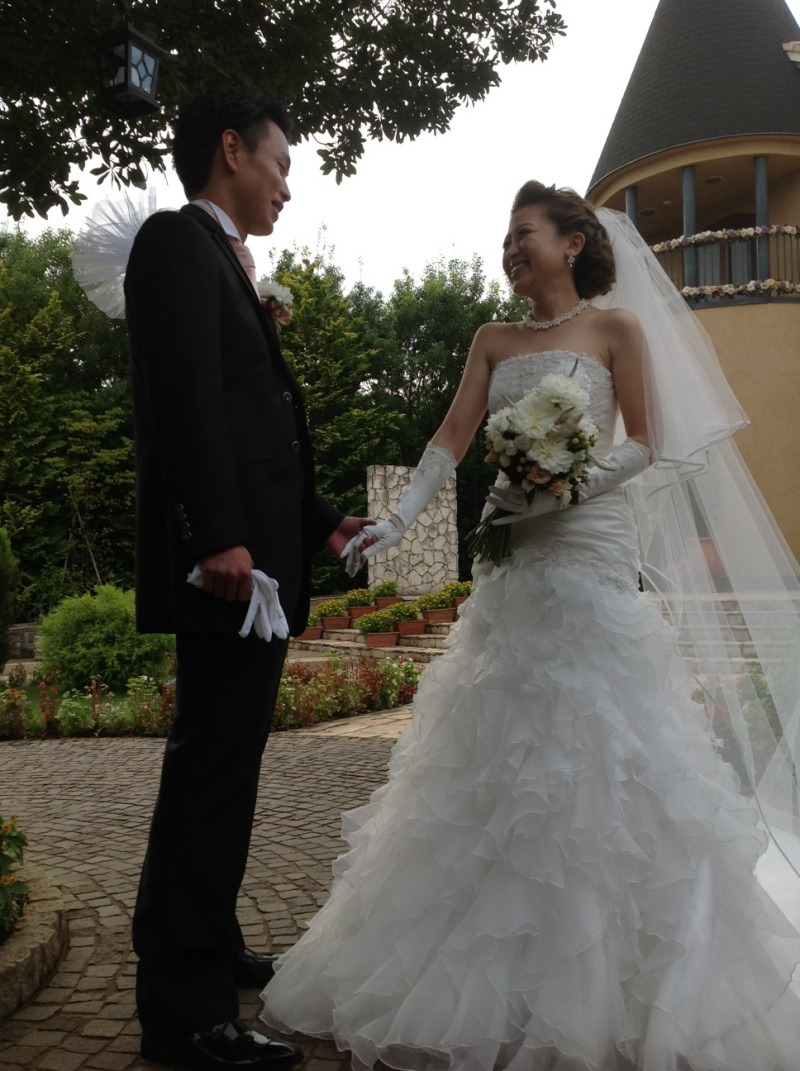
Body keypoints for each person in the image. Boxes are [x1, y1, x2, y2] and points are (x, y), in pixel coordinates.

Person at [259, 182, 800, 1071]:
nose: (511, 249)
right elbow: (450, 437)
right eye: (505, 238)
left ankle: (611, 973)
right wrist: (397, 522)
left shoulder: (616, 329)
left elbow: (645, 441)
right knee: (500, 739)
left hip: (588, 546)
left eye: (525, 234)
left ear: (573, 242)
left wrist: (568, 484)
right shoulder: (492, 339)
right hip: (512, 552)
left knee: (602, 735)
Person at [124, 89, 372, 1071]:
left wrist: (319, 522)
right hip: (228, 573)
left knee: (225, 770)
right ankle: (183, 1016)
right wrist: (216, 537)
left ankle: (212, 946)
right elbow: (182, 401)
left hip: (256, 565)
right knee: (209, 778)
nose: (286, 188)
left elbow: (256, 424)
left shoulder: (226, 262)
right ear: (231, 150)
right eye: (280, 165)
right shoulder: (174, 244)